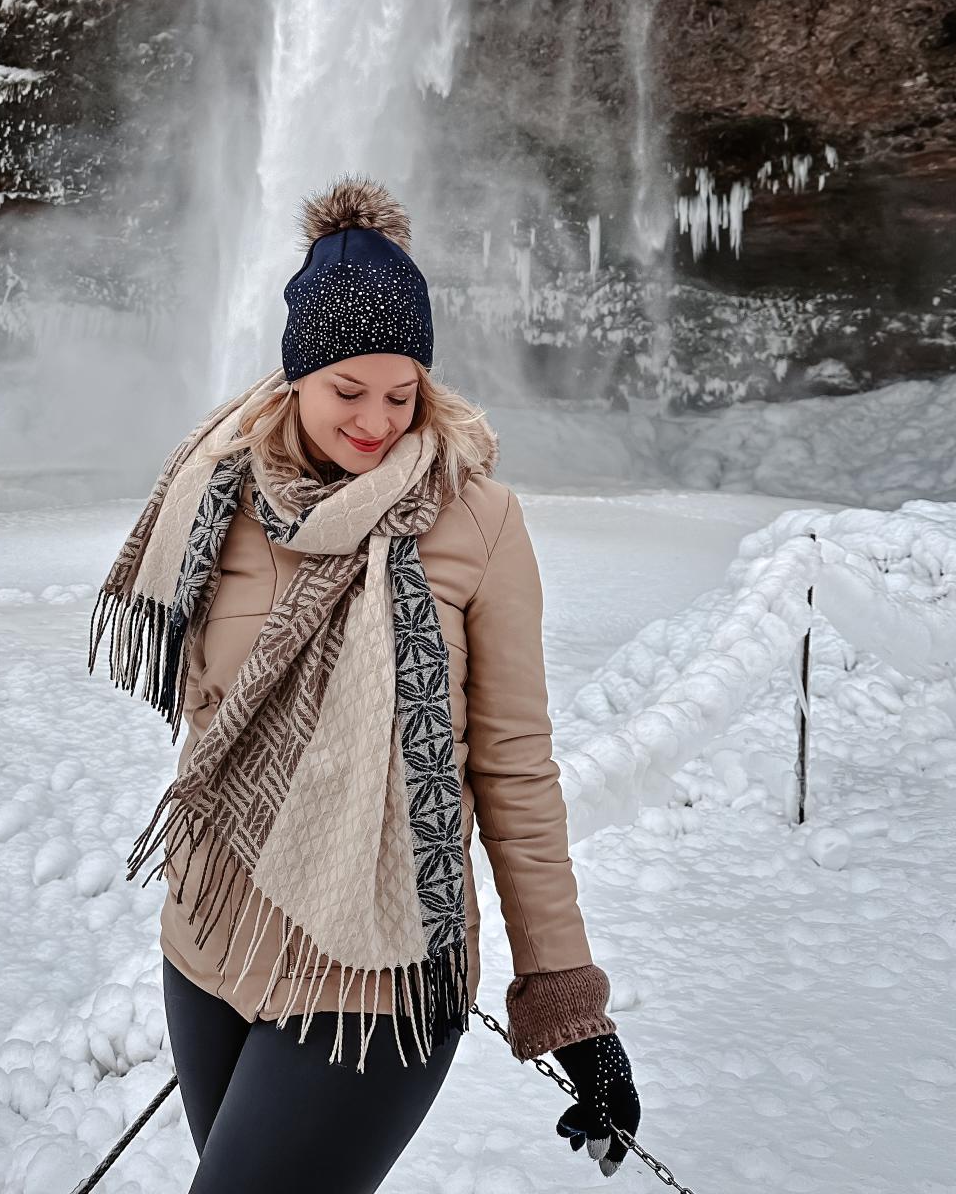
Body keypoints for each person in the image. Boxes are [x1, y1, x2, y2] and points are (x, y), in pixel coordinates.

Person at [88, 176, 640, 1192]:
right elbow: (209, 717)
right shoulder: (218, 495)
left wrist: (568, 1001)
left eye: (403, 393)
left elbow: (512, 772)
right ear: (297, 374)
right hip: (213, 946)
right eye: (350, 391)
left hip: (379, 979)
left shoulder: (479, 523)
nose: (379, 422)